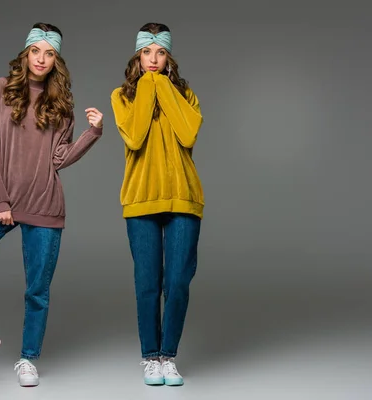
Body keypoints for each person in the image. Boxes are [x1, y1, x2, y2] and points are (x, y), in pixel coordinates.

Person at [0, 22, 103, 387]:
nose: (41, 59)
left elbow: (59, 157)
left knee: (37, 290)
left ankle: (28, 360)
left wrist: (93, 133)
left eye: (49, 53)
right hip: (3, 201)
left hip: (45, 203)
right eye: (36, 51)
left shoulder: (61, 104)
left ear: (56, 59)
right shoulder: (0, 90)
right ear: (26, 53)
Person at [110, 22, 204, 386]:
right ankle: (150, 357)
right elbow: (134, 137)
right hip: (140, 198)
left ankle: (169, 356)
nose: (153, 60)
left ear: (168, 57)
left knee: (178, 281)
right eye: (146, 53)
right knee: (147, 282)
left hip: (184, 196)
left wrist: (163, 85)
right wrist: (149, 84)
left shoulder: (186, 94)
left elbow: (188, 133)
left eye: (160, 53)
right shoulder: (122, 95)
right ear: (137, 55)